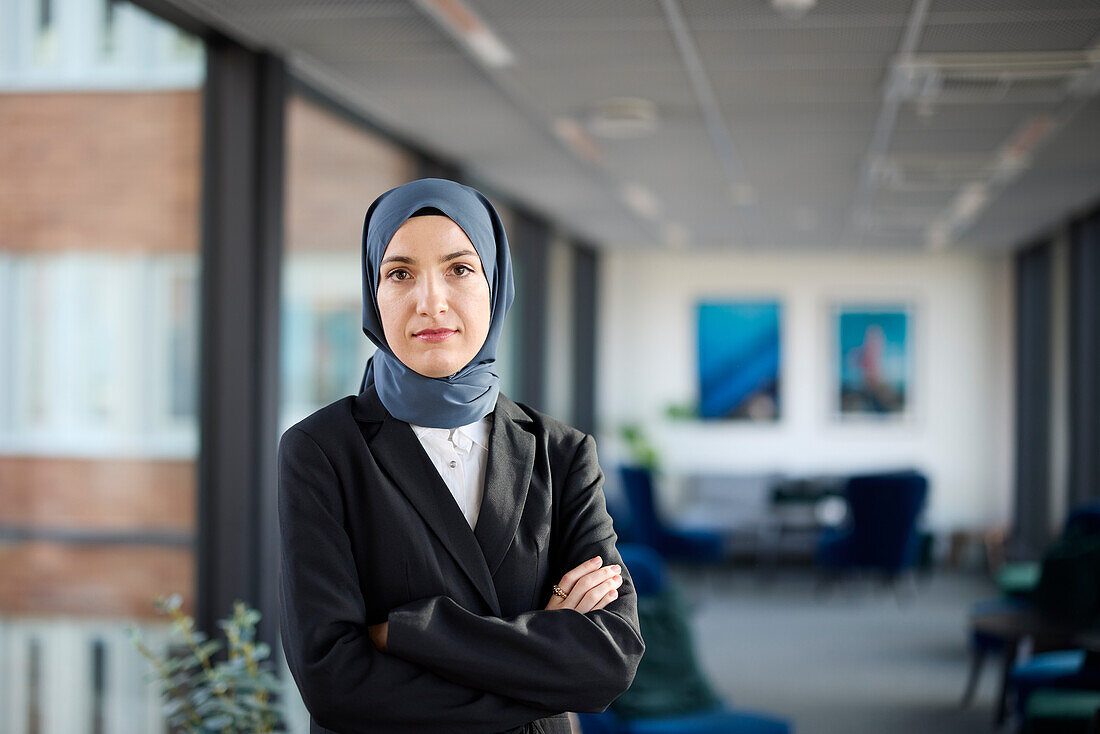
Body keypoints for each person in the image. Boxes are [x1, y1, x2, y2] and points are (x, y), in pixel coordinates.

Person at [277, 178, 645, 734]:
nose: (431, 301)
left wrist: (409, 632)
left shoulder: (563, 453)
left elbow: (608, 660)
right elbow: (335, 682)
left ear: (495, 287)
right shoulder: (322, 451)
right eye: (399, 273)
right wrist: (543, 663)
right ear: (373, 294)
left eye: (459, 269)